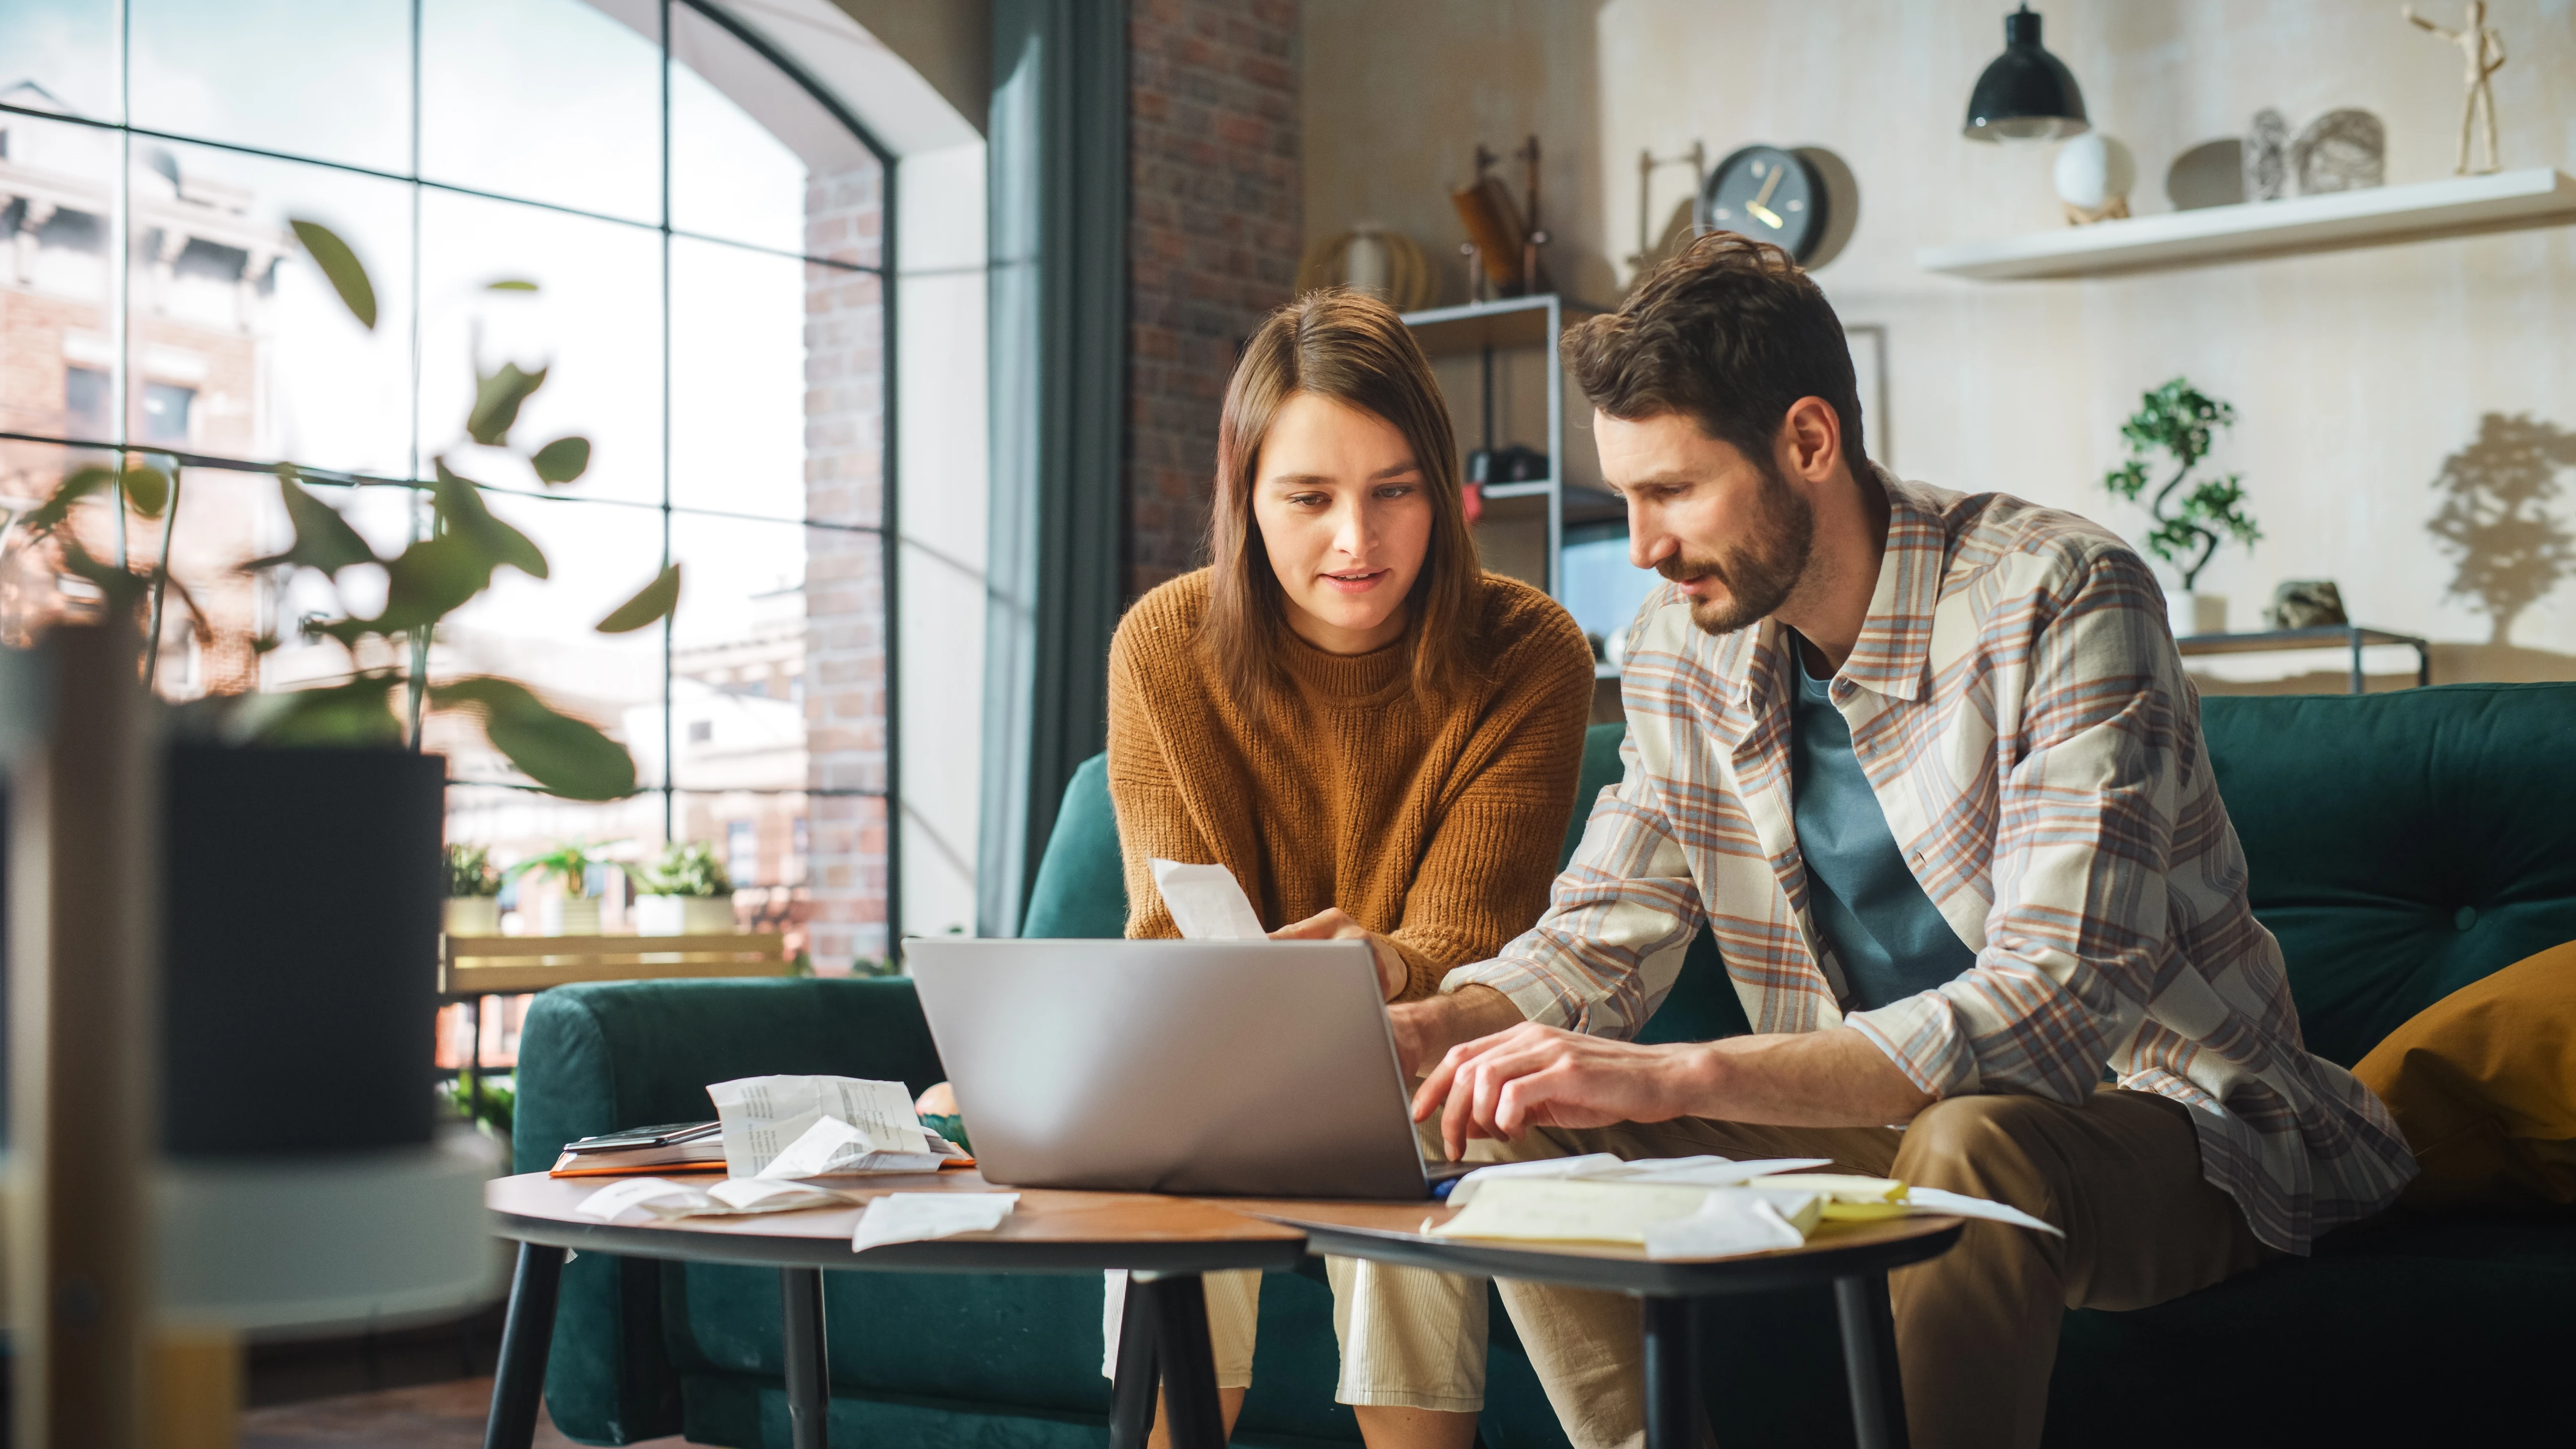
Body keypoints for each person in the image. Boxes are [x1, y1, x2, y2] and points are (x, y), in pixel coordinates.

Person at [1388, 233, 2416, 1449]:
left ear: (1808, 443)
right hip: (1871, 1123)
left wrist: (1682, 1070)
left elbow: (2054, 1007)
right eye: (1626, 498)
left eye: (1672, 492)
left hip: (2162, 1118)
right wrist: (1421, 1029)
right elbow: (1597, 939)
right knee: (1494, 1099)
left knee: (1968, 1141)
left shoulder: (2064, 594)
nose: (1644, 548)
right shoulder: (1679, 651)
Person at [929, 287, 1595, 1449]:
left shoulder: (1527, 649)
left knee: (1406, 1124)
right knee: (1181, 1145)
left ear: (1443, 494)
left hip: (1426, 1057)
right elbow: (1170, 941)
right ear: (1247, 497)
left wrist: (1380, 965)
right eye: (1309, 498)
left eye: (1394, 492)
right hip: (1214, 1068)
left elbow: (1474, 945)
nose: (1357, 538)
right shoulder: (1164, 645)